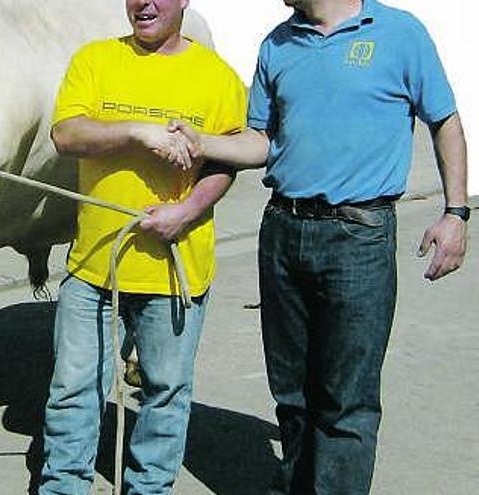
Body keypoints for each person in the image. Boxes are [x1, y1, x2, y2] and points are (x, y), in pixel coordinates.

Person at [172, 0, 469, 493]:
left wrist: (455, 211)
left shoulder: (399, 33)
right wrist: (203, 143)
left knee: (345, 402)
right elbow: (261, 140)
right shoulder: (277, 43)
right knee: (291, 394)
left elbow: (446, 120)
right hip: (283, 231)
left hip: (359, 236)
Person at [39, 0, 247, 493]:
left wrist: (187, 211)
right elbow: (66, 134)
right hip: (92, 268)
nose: (144, 3)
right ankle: (62, 487)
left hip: (175, 271)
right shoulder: (95, 60)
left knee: (164, 393)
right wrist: (138, 132)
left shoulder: (216, 76)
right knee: (72, 391)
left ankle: (149, 489)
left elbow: (229, 158)